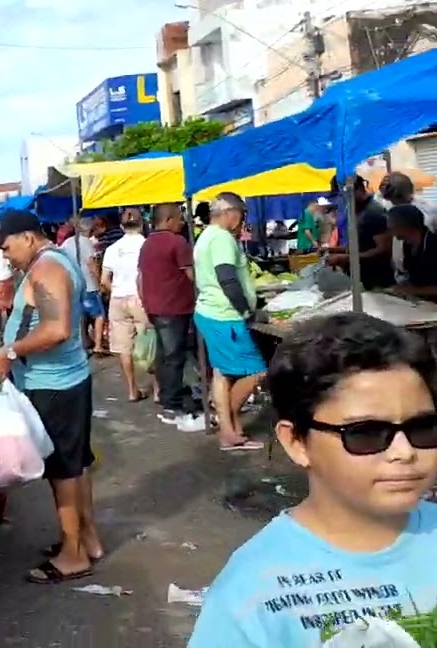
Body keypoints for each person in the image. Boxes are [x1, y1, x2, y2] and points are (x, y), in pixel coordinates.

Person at [188, 313, 437, 646]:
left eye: (422, 428)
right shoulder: (251, 591)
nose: (404, 452)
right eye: (365, 433)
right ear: (296, 442)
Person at [0, 210, 101, 585]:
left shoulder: (47, 268)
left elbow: (57, 329)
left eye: (7, 247)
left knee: (62, 472)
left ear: (28, 237)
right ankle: (87, 540)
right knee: (75, 465)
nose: (5, 255)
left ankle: (73, 555)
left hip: (54, 385)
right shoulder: (54, 261)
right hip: (67, 379)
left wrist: (10, 352)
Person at [193, 192, 265, 451]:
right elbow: (227, 278)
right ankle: (228, 423)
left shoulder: (206, 236)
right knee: (256, 370)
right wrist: (245, 309)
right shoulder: (222, 238)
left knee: (223, 373)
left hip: (210, 312)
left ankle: (229, 430)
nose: (242, 221)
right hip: (225, 315)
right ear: (229, 212)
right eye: (242, 214)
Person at [138, 203, 197, 422]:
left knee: (164, 356)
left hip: (155, 307)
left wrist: (146, 306)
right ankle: (171, 404)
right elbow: (192, 275)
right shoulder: (177, 242)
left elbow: (141, 278)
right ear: (169, 219)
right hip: (174, 308)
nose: (182, 222)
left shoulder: (147, 244)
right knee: (174, 357)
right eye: (179, 218)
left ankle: (166, 398)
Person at [101, 208, 156, 403]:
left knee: (124, 348)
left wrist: (114, 291)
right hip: (141, 298)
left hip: (118, 299)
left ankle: (133, 390)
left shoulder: (112, 249)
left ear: (122, 226)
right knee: (150, 343)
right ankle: (157, 389)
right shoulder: (148, 245)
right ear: (142, 224)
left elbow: (104, 280)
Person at [325, 176, 395, 290]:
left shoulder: (373, 212)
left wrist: (346, 258)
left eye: (344, 195)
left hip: (377, 279)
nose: (343, 199)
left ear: (359, 189)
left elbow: (383, 249)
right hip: (360, 277)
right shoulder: (355, 210)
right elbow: (358, 244)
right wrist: (332, 250)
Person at [60, 218, 104, 352]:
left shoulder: (67, 243)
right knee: (99, 315)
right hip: (89, 285)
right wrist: (100, 281)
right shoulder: (86, 243)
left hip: (73, 284)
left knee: (80, 315)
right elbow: (92, 264)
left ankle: (82, 341)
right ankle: (98, 345)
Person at [387, 204, 437, 299]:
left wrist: (413, 290)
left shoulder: (433, 244)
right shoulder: (407, 245)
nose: (390, 231)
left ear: (404, 226)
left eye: (392, 227)